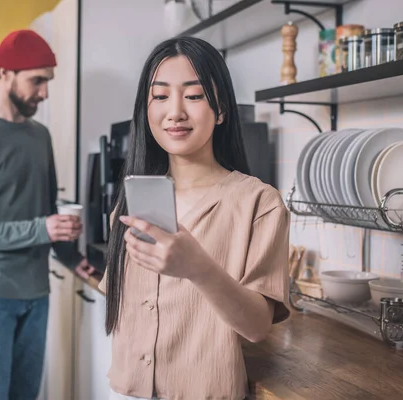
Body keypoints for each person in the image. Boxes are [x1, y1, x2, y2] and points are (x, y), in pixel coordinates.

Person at [98, 36, 291, 400]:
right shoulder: (130, 205)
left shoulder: (260, 204)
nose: (175, 112)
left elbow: (257, 326)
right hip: (128, 392)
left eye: (194, 95)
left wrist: (199, 268)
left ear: (220, 110)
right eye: (160, 96)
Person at [0, 29, 94, 400]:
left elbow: (45, 210)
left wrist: (72, 255)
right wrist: (42, 228)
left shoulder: (39, 136)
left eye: (48, 81)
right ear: (5, 73)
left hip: (35, 290)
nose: (44, 92)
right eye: (37, 80)